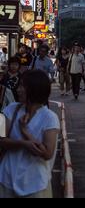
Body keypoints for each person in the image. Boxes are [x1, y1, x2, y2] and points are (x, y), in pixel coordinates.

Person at [0, 70, 60, 198]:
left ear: (34, 90)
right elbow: (1, 140)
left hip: (35, 183)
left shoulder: (50, 118)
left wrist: (25, 132)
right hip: (6, 178)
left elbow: (47, 153)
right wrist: (23, 143)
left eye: (23, 86)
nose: (18, 90)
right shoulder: (10, 109)